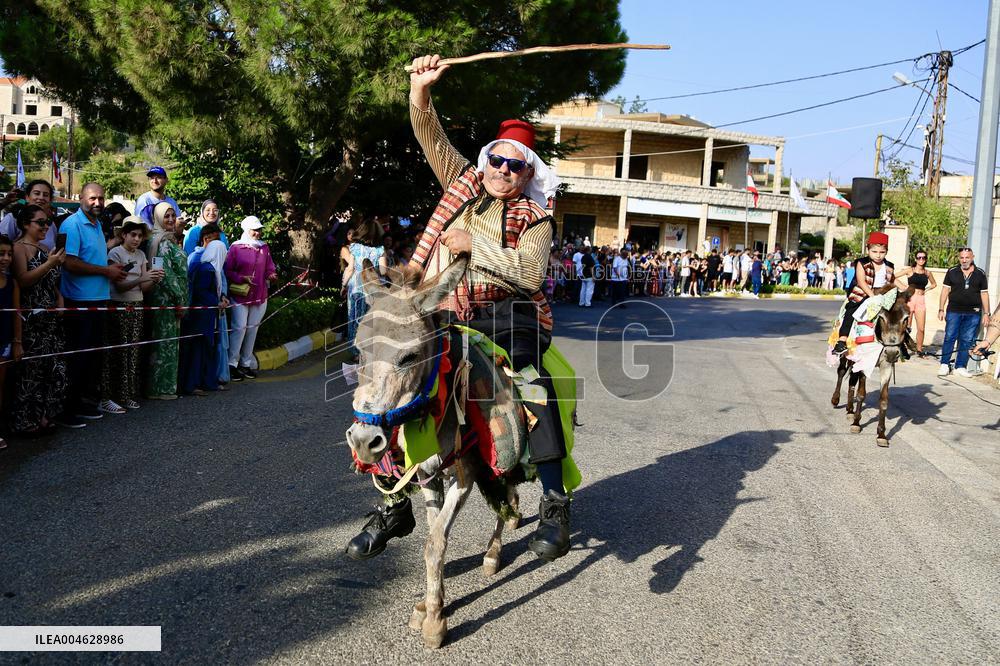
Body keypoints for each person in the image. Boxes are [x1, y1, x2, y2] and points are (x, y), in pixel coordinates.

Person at [345, 54, 571, 563]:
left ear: (526, 173)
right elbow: (430, 134)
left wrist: (475, 246)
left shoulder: (536, 218)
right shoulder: (462, 183)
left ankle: (555, 501)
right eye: (498, 160)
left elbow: (531, 274)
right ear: (487, 159)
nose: (503, 171)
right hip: (443, 308)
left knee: (535, 380)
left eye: (516, 166)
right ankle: (393, 503)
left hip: (509, 314)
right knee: (392, 374)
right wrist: (420, 91)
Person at [59, 183, 128, 427]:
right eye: (92, 198)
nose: (97, 203)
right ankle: (68, 411)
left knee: (91, 358)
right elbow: (69, 263)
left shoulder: (98, 225)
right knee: (77, 359)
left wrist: (111, 268)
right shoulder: (72, 224)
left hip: (98, 299)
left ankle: (83, 403)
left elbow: (93, 259)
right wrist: (105, 271)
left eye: (101, 198)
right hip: (79, 301)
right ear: (81, 198)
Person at [12, 205, 68, 435]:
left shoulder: (46, 248)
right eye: (40, 222)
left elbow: (51, 283)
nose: (46, 226)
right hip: (31, 320)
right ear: (26, 224)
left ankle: (45, 414)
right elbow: (23, 280)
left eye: (48, 223)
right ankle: (25, 420)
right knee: (31, 373)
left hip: (50, 320)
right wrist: (50, 264)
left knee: (55, 370)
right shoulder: (18, 248)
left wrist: (60, 300)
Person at [106, 217, 164, 411]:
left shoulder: (140, 254)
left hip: (137, 305)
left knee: (133, 351)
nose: (137, 239)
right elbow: (120, 286)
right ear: (124, 235)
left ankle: (128, 393)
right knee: (120, 352)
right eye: (133, 235)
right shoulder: (115, 253)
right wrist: (142, 277)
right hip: (119, 306)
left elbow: (143, 287)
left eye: (140, 235)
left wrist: (154, 279)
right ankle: (116, 395)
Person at [225, 215, 277, 380]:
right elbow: (227, 270)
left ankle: (245, 364)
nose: (257, 233)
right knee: (239, 328)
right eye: (254, 230)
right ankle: (231, 364)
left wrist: (272, 274)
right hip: (240, 294)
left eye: (259, 230)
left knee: (252, 329)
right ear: (246, 230)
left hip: (260, 295)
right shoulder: (235, 247)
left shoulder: (264, 247)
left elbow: (269, 267)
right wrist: (241, 278)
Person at [146, 202, 189, 400]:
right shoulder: (160, 241)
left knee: (168, 343)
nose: (171, 220)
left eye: (173, 215)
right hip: (166, 299)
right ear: (157, 218)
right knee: (164, 344)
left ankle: (163, 387)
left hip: (172, 298)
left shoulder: (167, 239)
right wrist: (179, 299)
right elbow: (163, 273)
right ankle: (161, 388)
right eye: (166, 216)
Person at [832, 232, 893, 356]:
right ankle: (842, 341)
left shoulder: (889, 266)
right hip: (863, 294)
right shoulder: (861, 263)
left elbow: (893, 280)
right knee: (851, 311)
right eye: (874, 252)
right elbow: (861, 281)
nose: (878, 255)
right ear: (868, 250)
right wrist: (872, 297)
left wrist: (905, 289)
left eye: (882, 252)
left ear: (886, 251)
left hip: (882, 295)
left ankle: (899, 341)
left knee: (897, 313)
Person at [180, 238, 228, 394]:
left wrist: (220, 298)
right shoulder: (207, 269)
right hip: (201, 316)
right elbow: (202, 292)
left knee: (205, 349)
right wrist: (217, 301)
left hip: (204, 315)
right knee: (199, 350)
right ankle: (193, 384)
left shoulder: (207, 267)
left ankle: (205, 382)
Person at [937, 248, 990, 377]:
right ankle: (944, 364)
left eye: (967, 257)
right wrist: (941, 308)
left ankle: (960, 366)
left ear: (973, 257)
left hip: (973, 312)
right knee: (950, 337)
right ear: (959, 258)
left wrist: (986, 313)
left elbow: (984, 294)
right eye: (962, 257)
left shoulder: (980, 274)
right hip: (954, 311)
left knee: (966, 339)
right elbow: (945, 291)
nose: (964, 260)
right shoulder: (952, 271)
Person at [340, 217, 388, 358]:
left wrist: (343, 285)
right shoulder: (380, 250)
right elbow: (384, 271)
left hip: (356, 287)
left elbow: (350, 269)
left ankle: (356, 353)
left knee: (354, 318)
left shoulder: (354, 248)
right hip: (373, 289)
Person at [893, 250, 937, 356]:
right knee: (906, 326)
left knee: (921, 328)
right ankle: (900, 348)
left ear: (926, 259)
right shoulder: (910, 270)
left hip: (921, 300)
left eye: (923, 258)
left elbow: (934, 284)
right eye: (919, 257)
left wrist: (925, 290)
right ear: (915, 259)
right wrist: (904, 287)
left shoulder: (927, 273)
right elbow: (892, 277)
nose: (921, 260)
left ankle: (919, 350)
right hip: (910, 298)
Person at [0, 234, 21, 449]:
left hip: (4, 341)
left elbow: (16, 313)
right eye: (1, 254)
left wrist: (17, 341)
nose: (6, 258)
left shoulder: (12, 283)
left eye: (8, 254)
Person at [0, 180, 58, 250]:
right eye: (37, 193)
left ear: (50, 200)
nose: (41, 198)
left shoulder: (50, 224)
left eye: (45, 195)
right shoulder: (13, 219)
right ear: (27, 197)